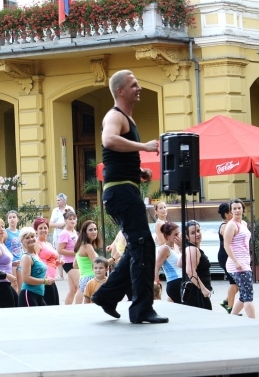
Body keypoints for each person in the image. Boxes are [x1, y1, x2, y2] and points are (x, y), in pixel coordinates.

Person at [90, 70, 167, 324]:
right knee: (144, 246)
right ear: (120, 91)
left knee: (138, 246)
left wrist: (138, 171)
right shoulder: (115, 116)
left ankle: (107, 296)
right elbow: (109, 140)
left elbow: (117, 157)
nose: (139, 87)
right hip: (120, 192)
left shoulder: (128, 120)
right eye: (134, 85)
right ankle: (141, 309)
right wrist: (144, 147)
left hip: (124, 188)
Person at [223, 200, 254, 318]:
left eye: (239, 208)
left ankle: (232, 317)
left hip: (244, 262)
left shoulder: (244, 224)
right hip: (237, 265)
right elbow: (227, 245)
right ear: (231, 211)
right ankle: (254, 322)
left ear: (243, 209)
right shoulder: (231, 225)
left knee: (243, 296)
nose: (237, 211)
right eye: (234, 208)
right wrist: (236, 262)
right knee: (248, 296)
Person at [180, 221, 213, 311]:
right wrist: (203, 289)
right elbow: (190, 271)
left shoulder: (189, 248)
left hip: (194, 291)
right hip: (196, 293)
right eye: (193, 233)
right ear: (187, 236)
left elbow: (179, 263)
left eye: (198, 231)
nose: (197, 234)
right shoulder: (192, 249)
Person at [17, 226, 52, 307]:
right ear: (22, 241)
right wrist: (45, 281)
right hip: (28, 294)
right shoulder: (26, 257)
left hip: (39, 295)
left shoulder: (35, 254)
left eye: (32, 236)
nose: (31, 239)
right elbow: (26, 279)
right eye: (27, 238)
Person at [74, 220, 106, 298]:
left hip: (83, 280)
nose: (94, 232)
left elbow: (75, 265)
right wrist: (114, 257)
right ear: (85, 232)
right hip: (92, 278)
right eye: (90, 230)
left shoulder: (79, 246)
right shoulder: (87, 246)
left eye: (95, 229)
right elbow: (99, 264)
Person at [34, 218, 61, 306]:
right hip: (45, 278)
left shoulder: (48, 244)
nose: (43, 230)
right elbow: (35, 261)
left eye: (45, 228)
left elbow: (50, 260)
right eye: (40, 228)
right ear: (36, 230)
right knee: (50, 304)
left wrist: (57, 263)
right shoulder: (37, 244)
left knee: (55, 303)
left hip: (52, 278)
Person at [153, 221, 182, 304]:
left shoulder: (176, 246)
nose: (178, 237)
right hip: (175, 281)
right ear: (167, 236)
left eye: (178, 233)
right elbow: (156, 266)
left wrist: (181, 247)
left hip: (181, 280)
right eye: (175, 235)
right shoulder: (165, 249)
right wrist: (156, 284)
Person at [217, 202, 238, 313]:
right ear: (226, 214)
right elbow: (229, 242)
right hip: (225, 257)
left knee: (236, 283)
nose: (234, 212)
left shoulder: (230, 224)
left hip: (228, 256)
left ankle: (226, 302)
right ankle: (230, 307)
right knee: (234, 282)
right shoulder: (225, 226)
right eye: (231, 211)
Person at [57, 211, 80, 305]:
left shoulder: (74, 232)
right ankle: (80, 308)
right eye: (70, 219)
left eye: (74, 219)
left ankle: (66, 308)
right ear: (65, 221)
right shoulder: (64, 233)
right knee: (81, 287)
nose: (72, 221)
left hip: (76, 262)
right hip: (69, 263)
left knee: (73, 289)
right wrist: (75, 253)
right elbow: (60, 250)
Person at [6, 210, 23, 292]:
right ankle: (15, 303)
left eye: (14, 217)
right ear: (7, 220)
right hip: (11, 263)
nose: (12, 219)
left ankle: (21, 302)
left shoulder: (20, 233)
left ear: (17, 219)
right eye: (10, 217)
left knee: (21, 285)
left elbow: (21, 247)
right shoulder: (5, 232)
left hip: (19, 261)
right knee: (14, 284)